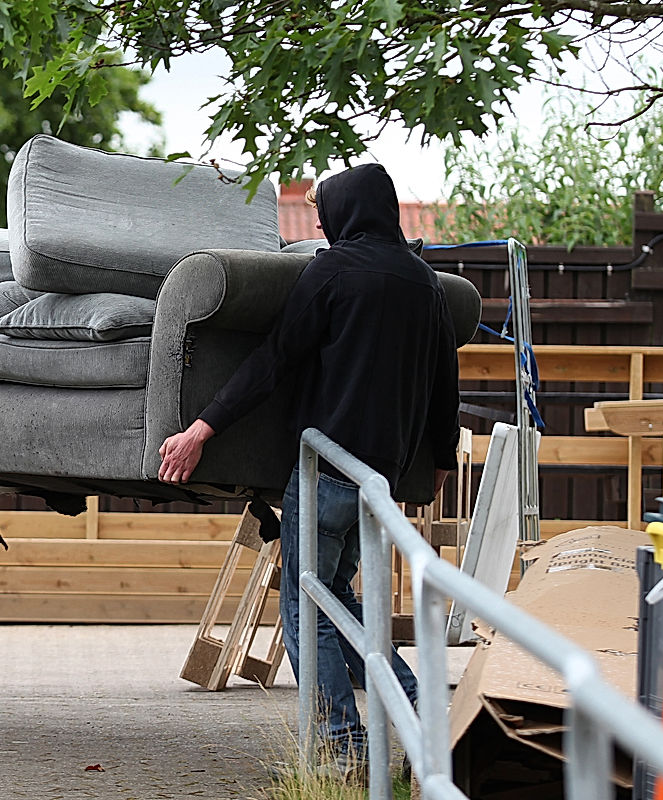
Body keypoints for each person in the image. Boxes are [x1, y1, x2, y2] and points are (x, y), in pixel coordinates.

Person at [158, 164, 460, 778]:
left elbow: (274, 360)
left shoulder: (333, 272)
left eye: (325, 210)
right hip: (382, 480)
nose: (318, 221)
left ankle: (340, 750)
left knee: (306, 607)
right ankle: (424, 714)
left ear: (351, 209)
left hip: (327, 471)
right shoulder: (423, 282)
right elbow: (441, 387)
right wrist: (440, 461)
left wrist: (201, 428)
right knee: (340, 600)